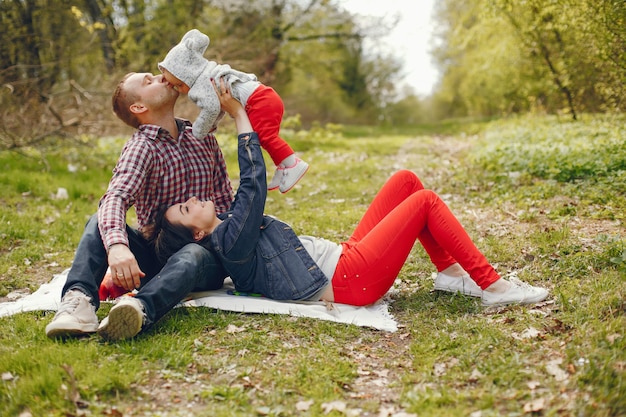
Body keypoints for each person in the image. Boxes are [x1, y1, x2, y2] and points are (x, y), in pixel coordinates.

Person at [147, 80, 549, 309]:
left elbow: (249, 189)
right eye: (186, 208)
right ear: (198, 234)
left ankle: (450, 274)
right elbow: (252, 183)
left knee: (406, 181)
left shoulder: (230, 225)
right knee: (424, 203)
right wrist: (239, 115)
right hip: (349, 280)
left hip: (344, 256)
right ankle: (495, 288)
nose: (195, 199)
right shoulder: (230, 243)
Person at [45, 71, 234, 341]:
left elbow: (226, 201)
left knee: (193, 253)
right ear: (139, 107)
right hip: (155, 259)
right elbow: (115, 198)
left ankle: (139, 309)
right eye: (149, 81)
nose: (160, 77)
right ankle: (79, 304)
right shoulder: (141, 148)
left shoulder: (202, 136)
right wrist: (118, 246)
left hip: (206, 258)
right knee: (97, 220)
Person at [158, 28, 308, 194]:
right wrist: (211, 125)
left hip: (260, 100)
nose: (180, 90)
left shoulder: (201, 83)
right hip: (264, 97)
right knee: (263, 138)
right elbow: (218, 106)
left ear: (188, 73)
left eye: (180, 85)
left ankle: (293, 163)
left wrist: (198, 131)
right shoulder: (207, 75)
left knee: (265, 136)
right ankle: (283, 165)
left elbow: (212, 108)